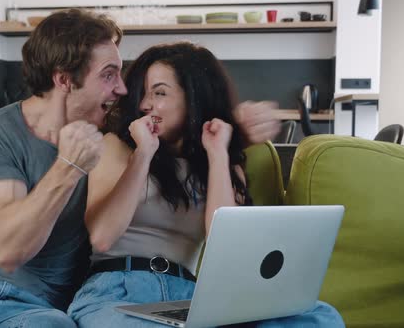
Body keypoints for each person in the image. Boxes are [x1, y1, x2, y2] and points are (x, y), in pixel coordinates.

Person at [0, 9, 279, 327]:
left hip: (45, 309)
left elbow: (178, 124)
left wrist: (235, 127)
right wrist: (68, 165)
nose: (124, 90)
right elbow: (8, 249)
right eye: (110, 75)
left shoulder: (113, 135)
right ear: (64, 80)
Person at [67, 42, 344, 327]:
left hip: (190, 294)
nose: (144, 104)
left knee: (320, 317)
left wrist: (217, 154)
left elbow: (225, 247)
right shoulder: (117, 146)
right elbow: (102, 236)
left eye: (159, 92)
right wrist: (143, 154)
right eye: (142, 93)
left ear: (194, 98)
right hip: (117, 290)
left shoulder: (221, 157)